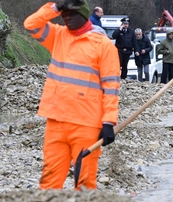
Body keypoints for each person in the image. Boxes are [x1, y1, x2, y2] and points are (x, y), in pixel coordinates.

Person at [23, 0, 120, 190]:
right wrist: (55, 7)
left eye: (72, 14)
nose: (67, 18)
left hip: (86, 125)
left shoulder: (103, 45)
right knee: (49, 182)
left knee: (84, 183)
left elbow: (111, 87)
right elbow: (31, 24)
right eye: (64, 15)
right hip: (56, 121)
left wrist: (109, 122)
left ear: (84, 15)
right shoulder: (58, 36)